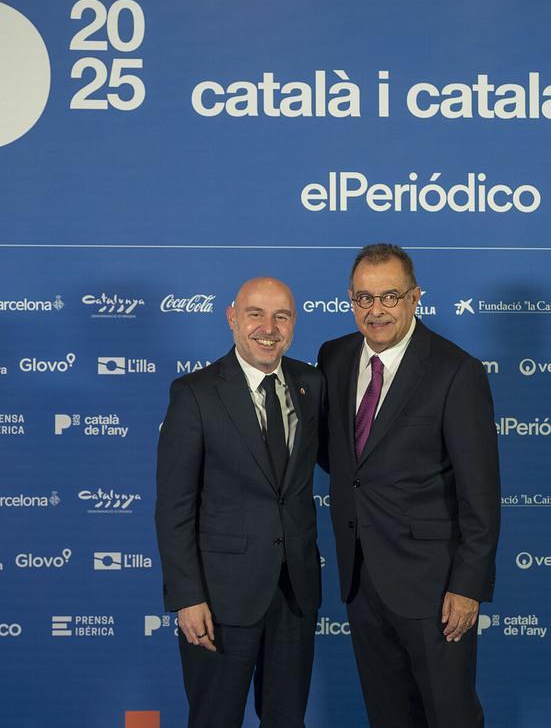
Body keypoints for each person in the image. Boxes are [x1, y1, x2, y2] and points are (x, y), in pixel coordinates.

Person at [317, 244, 500, 728]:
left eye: (390, 296)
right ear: (350, 300)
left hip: (433, 587)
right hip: (360, 577)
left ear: (415, 297)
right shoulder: (333, 357)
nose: (375, 311)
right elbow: (337, 458)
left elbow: (480, 495)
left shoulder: (456, 372)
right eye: (363, 298)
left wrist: (467, 587)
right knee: (388, 716)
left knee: (449, 715)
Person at [155, 277, 323, 728]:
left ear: (293, 324)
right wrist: (188, 597)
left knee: (288, 720)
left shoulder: (311, 384)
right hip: (220, 600)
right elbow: (174, 508)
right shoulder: (194, 394)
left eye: (281, 316)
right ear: (232, 318)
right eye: (255, 314)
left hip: (295, 593)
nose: (268, 328)